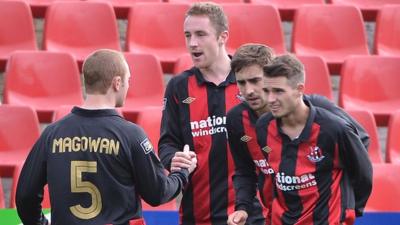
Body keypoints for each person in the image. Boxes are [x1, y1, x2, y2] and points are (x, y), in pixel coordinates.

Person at [15, 49, 197, 225]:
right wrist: (181, 173)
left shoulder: (52, 134)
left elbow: (25, 195)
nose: (128, 85)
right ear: (117, 83)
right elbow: (158, 193)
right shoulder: (131, 135)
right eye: (128, 80)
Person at [226, 45, 371, 225]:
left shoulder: (318, 109)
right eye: (241, 82)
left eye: (256, 80)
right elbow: (245, 171)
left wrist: (345, 203)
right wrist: (242, 207)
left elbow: (360, 141)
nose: (248, 91)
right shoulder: (236, 120)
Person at [158, 2, 264, 225]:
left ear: (222, 36)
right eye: (187, 35)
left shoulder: (252, 82)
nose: (192, 43)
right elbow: (168, 143)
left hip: (252, 214)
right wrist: (173, 159)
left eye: (200, 34)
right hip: (197, 215)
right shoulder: (179, 86)